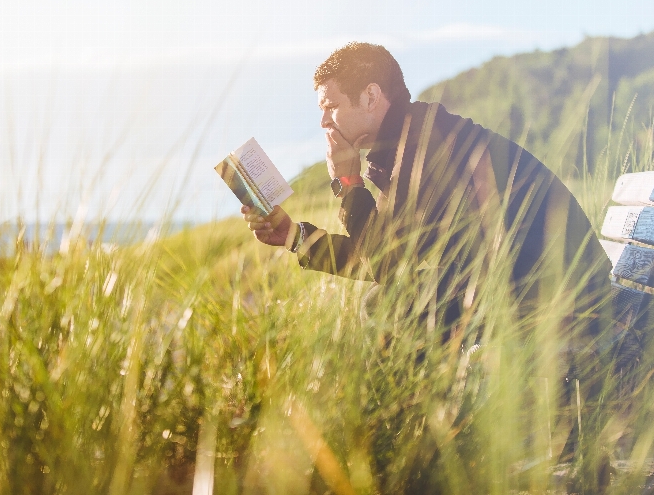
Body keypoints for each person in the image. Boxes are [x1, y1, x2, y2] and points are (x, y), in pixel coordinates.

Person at [241, 41, 611, 489]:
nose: (323, 121)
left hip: (557, 296)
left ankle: (413, 462)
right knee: (390, 305)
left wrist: (348, 182)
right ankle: (412, 457)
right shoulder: (411, 139)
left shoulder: (425, 146)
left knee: (389, 309)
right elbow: (391, 259)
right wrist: (293, 237)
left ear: (372, 97)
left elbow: (386, 265)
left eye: (330, 106)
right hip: (526, 282)